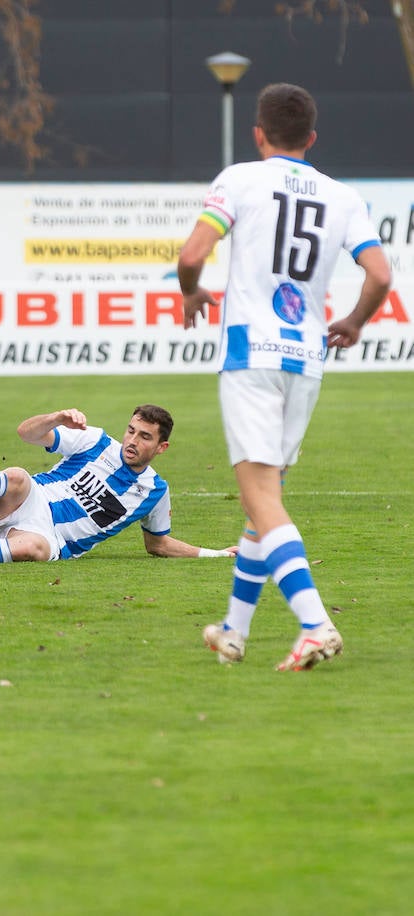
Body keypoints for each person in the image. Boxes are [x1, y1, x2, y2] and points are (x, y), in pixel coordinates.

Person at [176, 82, 392, 671]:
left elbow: (193, 254)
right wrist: (352, 320)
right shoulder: (342, 196)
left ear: (259, 134)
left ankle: (316, 624)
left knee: (262, 499)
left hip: (251, 357)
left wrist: (192, 292)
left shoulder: (241, 179)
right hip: (306, 360)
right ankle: (233, 631)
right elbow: (379, 272)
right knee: (261, 505)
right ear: (312, 138)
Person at [0, 406, 238, 568]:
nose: (133, 441)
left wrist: (218, 554)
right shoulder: (96, 441)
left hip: (52, 539)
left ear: (161, 448)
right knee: (18, 475)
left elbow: (159, 545)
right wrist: (55, 419)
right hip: (28, 501)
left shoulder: (154, 492)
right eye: (132, 430)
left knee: (33, 550)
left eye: (145, 436)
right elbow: (26, 433)